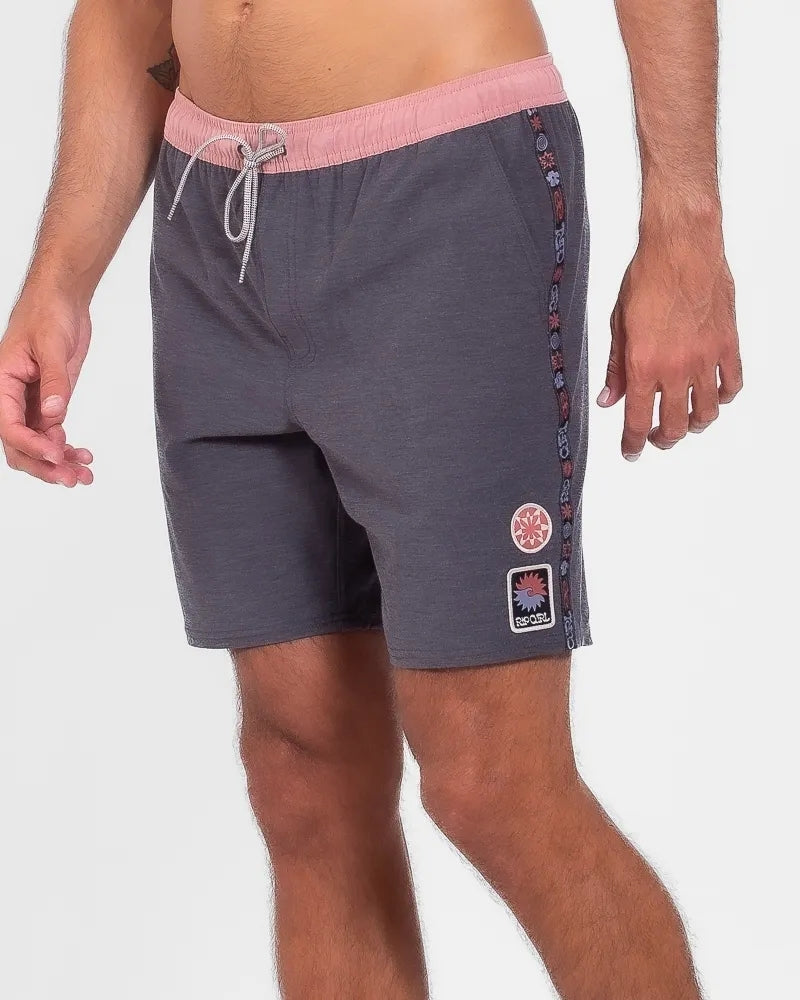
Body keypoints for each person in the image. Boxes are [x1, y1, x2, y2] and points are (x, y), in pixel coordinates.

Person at [0, 0, 742, 997]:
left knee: (493, 781)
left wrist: (685, 219)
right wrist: (60, 274)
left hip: (443, 185)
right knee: (304, 773)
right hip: (212, 217)